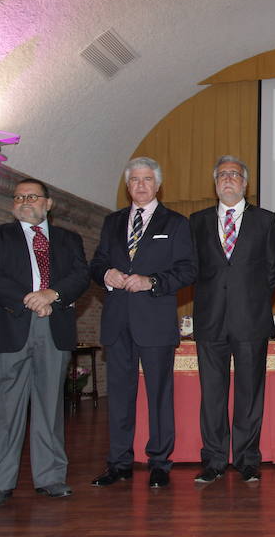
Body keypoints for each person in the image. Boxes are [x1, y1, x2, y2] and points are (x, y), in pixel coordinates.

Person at [0, 178, 90, 507]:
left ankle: (51, 477)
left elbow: (81, 276)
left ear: (48, 203)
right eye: (19, 196)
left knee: (49, 405)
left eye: (33, 196)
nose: (25, 201)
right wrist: (30, 299)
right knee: (4, 410)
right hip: (10, 327)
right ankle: (0, 483)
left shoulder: (69, 239)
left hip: (53, 327)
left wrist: (51, 294)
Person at [90, 157, 196, 489]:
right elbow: (98, 263)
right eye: (134, 179)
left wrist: (152, 282)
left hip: (155, 322)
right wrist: (106, 275)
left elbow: (188, 269)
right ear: (127, 184)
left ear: (158, 184)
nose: (140, 185)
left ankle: (160, 462)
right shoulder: (112, 222)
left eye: (147, 179)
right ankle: (119, 462)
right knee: (119, 396)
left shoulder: (176, 223)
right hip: (118, 321)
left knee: (159, 395)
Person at [189, 156, 275, 484]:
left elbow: (273, 271)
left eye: (235, 175)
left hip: (250, 319)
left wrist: (250, 298)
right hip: (210, 319)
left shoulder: (266, 220)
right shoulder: (196, 221)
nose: (228, 179)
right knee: (212, 394)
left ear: (245, 183)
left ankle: (246, 459)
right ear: (215, 183)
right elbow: (193, 267)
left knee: (249, 392)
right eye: (223, 175)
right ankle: (213, 460)